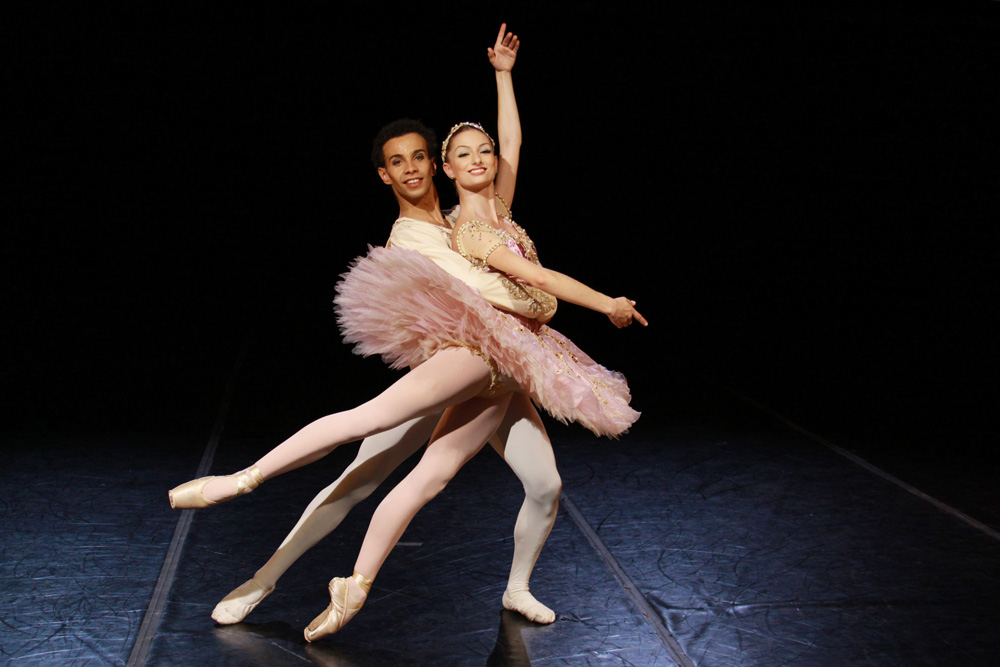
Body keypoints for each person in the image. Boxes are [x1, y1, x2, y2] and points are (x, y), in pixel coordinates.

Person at [167, 24, 644, 638]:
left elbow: (510, 150)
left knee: (542, 484)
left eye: (420, 156)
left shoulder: (470, 215)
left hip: (505, 366)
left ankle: (515, 588)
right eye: (400, 162)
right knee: (357, 476)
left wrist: (503, 74)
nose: (413, 168)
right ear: (386, 176)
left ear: (436, 166)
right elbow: (484, 293)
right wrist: (574, 303)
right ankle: (264, 572)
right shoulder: (412, 238)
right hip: (460, 361)